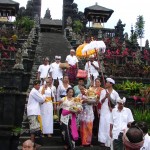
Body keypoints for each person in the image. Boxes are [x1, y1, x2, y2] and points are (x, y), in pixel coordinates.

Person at [98, 77, 120, 147]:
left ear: (111, 84)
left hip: (111, 111)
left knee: (109, 125)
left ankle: (109, 140)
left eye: (107, 82)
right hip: (104, 110)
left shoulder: (115, 93)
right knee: (103, 124)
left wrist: (113, 108)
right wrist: (105, 97)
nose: (106, 83)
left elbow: (118, 103)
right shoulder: (103, 91)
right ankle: (102, 140)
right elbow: (101, 101)